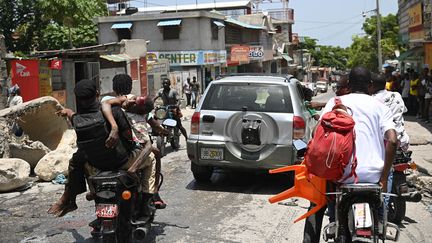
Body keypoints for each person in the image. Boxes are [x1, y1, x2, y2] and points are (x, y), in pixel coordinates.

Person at [303, 66, 398, 243]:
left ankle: (334, 225)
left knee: (328, 209)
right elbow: (392, 140)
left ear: (348, 84)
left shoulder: (336, 102)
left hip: (343, 176)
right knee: (379, 220)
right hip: (374, 178)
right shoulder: (380, 107)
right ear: (370, 85)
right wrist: (384, 178)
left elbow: (317, 132)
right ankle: (379, 228)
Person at [102, 74, 166, 209]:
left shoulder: (107, 100)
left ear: (114, 87)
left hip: (108, 150)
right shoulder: (136, 102)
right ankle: (152, 193)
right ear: (130, 87)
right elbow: (153, 122)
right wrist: (163, 130)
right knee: (154, 156)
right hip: (128, 150)